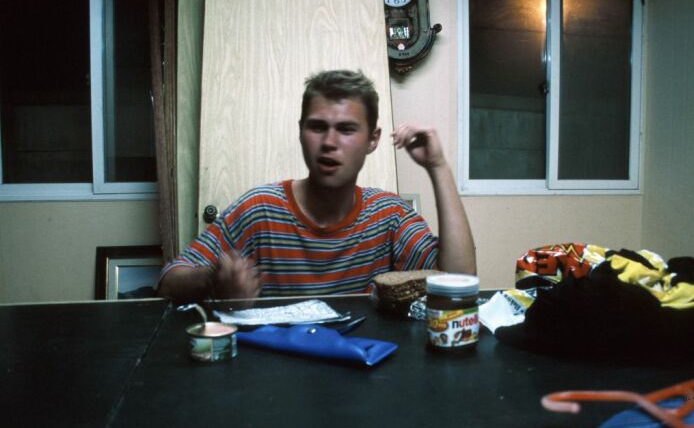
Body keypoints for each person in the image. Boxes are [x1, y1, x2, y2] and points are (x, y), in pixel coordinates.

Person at [158, 69, 476, 304]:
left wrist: (438, 167)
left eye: (347, 129)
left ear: (372, 140)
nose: (329, 143)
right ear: (301, 131)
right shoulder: (259, 209)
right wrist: (214, 280)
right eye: (317, 127)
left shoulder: (389, 215)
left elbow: (461, 283)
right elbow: (169, 281)